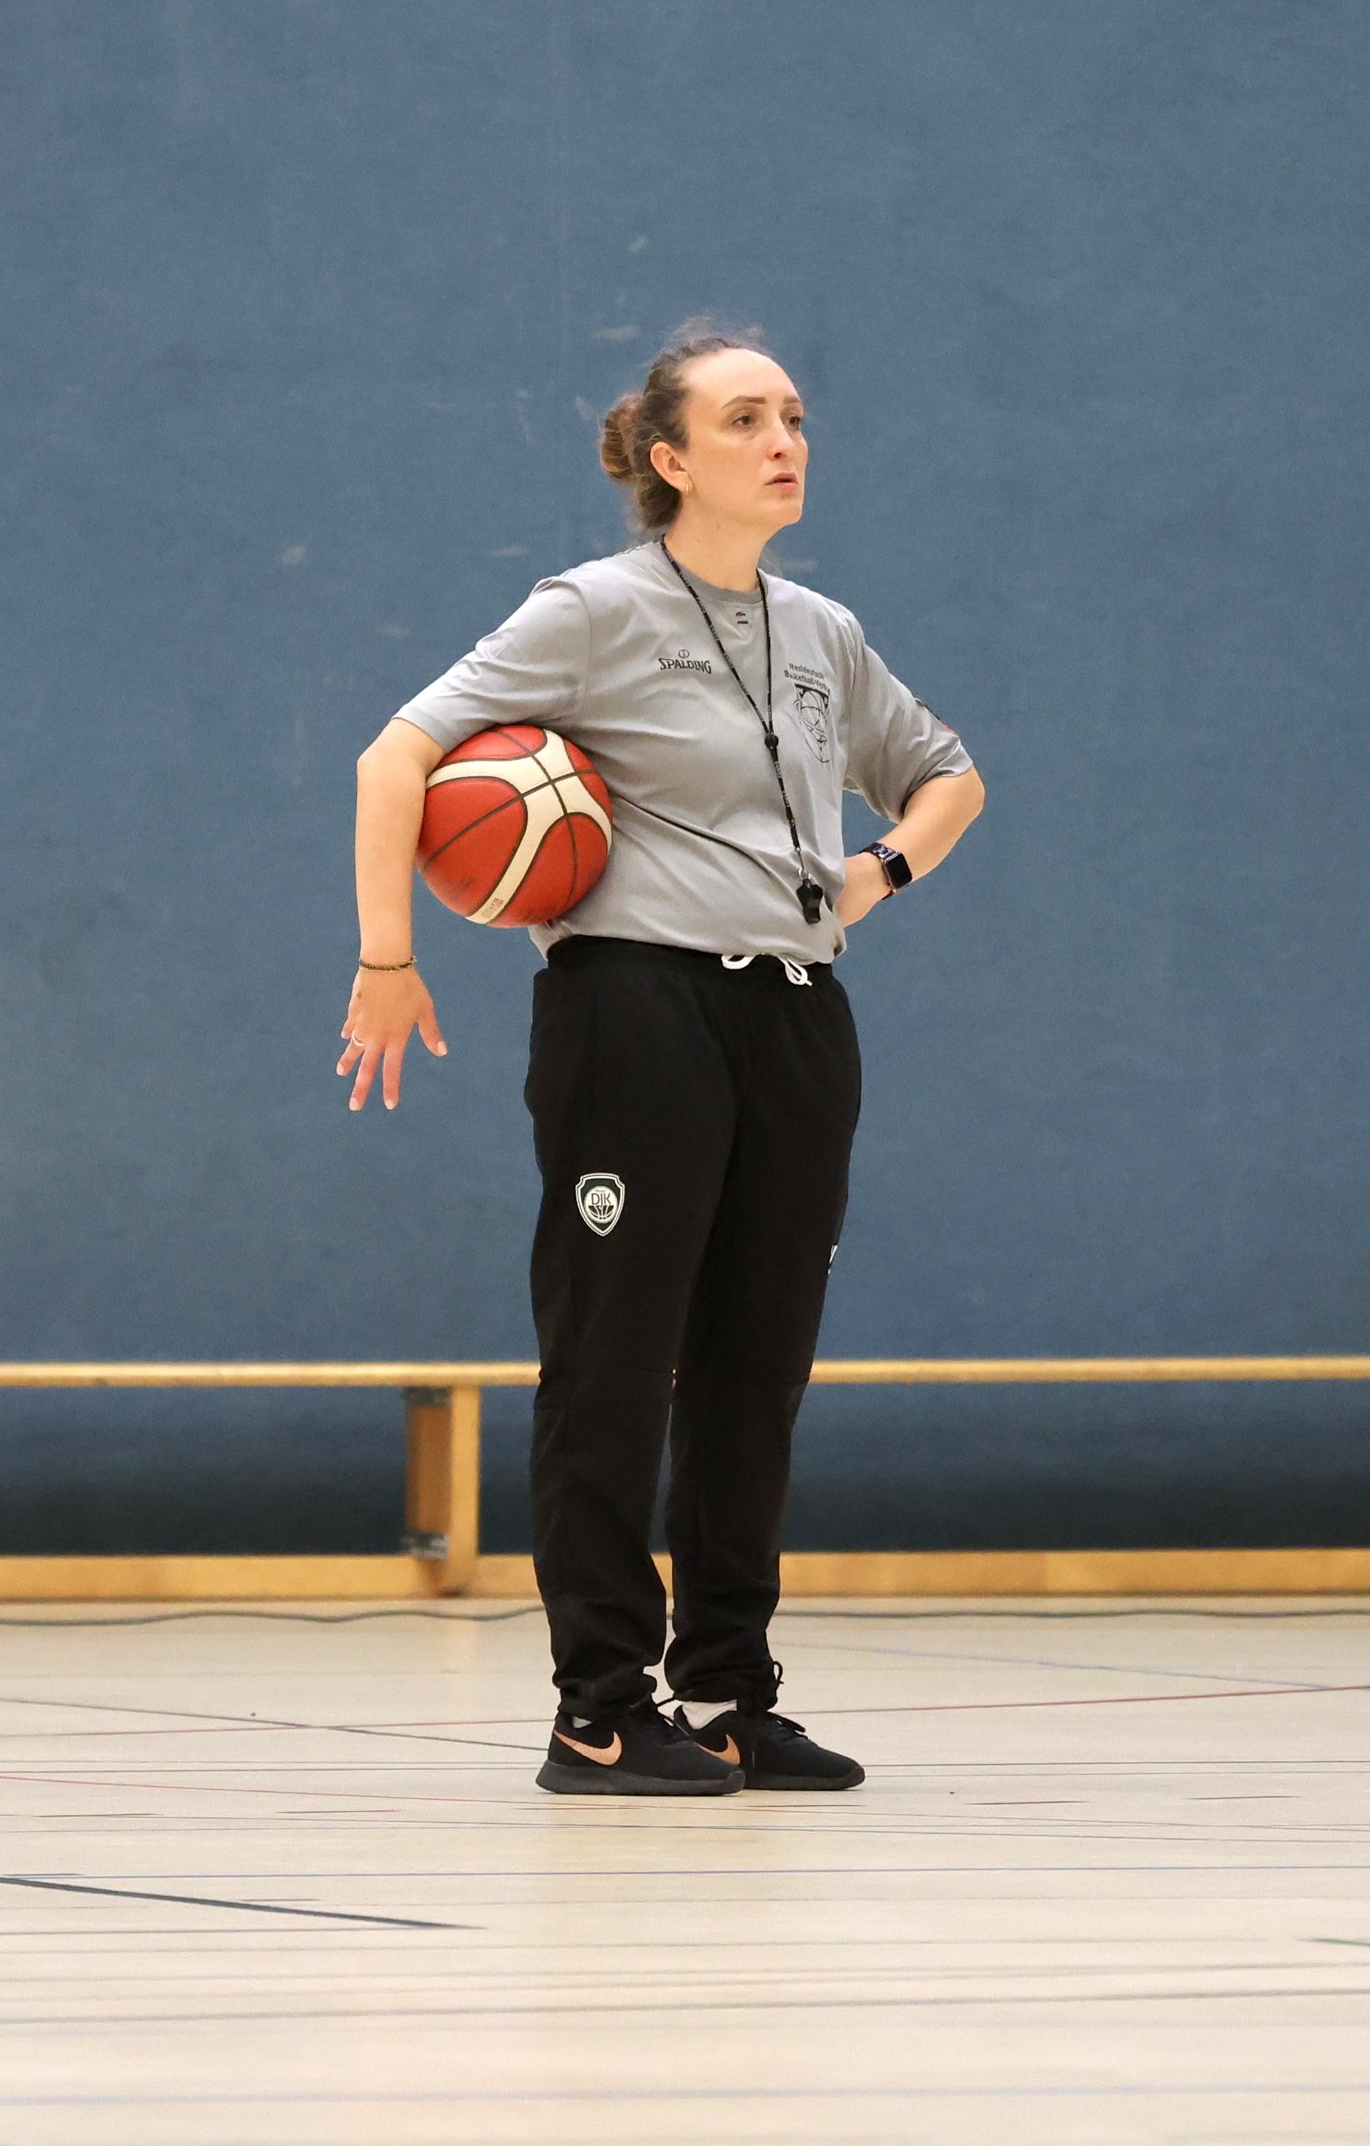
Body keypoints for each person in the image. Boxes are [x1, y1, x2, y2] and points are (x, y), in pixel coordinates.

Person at [338, 322, 985, 1797]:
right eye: (746, 418)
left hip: (797, 1013)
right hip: (635, 1009)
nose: (785, 440)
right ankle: (599, 1706)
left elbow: (949, 774)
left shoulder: (821, 632)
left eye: (795, 415)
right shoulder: (590, 610)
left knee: (757, 1364)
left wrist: (876, 871)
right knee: (616, 1355)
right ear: (669, 458)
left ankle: (730, 1693)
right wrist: (388, 956)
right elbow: (396, 757)